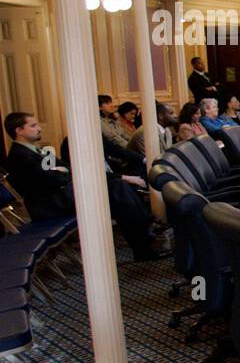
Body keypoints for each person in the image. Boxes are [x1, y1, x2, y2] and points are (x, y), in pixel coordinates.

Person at [4, 112, 163, 261]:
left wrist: (61, 171)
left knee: (119, 189)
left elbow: (67, 169)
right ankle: (145, 236)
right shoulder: (20, 155)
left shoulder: (40, 151)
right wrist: (61, 172)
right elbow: (54, 178)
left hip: (63, 195)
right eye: (33, 125)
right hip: (52, 205)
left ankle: (144, 242)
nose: (39, 128)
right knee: (118, 191)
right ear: (19, 131)